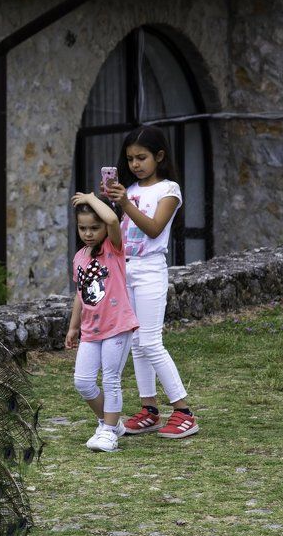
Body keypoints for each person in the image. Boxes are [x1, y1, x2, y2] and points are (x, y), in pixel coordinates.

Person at [104, 125, 198, 439]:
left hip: (150, 270)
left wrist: (126, 204)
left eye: (141, 157)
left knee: (151, 342)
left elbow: (154, 229)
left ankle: (184, 411)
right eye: (130, 159)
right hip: (126, 270)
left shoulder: (169, 190)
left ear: (159, 156)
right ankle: (149, 410)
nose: (135, 164)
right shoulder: (128, 192)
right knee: (136, 347)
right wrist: (108, 206)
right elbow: (120, 233)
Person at [66, 192, 139, 452]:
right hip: (91, 330)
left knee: (110, 379)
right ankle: (109, 421)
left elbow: (111, 218)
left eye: (94, 228)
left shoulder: (114, 248)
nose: (88, 233)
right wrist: (74, 326)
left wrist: (91, 198)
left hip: (117, 326)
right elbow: (80, 293)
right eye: (83, 228)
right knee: (83, 381)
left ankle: (108, 432)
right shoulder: (80, 257)